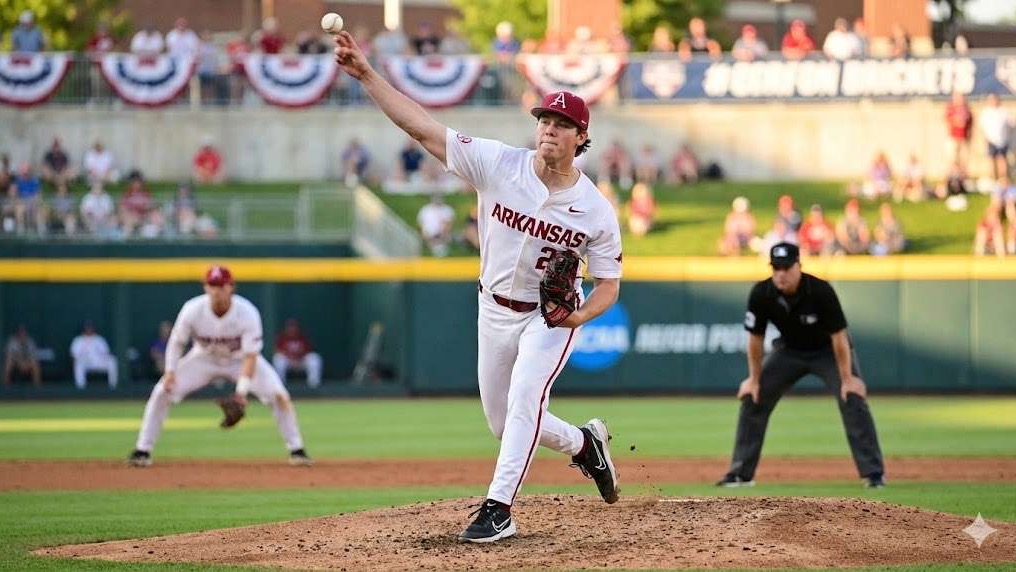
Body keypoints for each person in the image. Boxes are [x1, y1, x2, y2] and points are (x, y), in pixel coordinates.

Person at [333, 31, 622, 542]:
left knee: (526, 397)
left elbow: (609, 285)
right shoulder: (498, 163)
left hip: (546, 316)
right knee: (504, 420)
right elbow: (421, 128)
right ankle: (585, 445)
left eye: (563, 124)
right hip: (492, 309)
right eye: (545, 121)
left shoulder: (595, 210)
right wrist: (367, 75)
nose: (550, 129)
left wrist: (575, 317)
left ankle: (498, 509)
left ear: (581, 137)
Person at [717, 242, 886, 488]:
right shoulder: (762, 293)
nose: (781, 273)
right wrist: (753, 379)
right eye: (776, 268)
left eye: (786, 267)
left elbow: (839, 336)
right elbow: (755, 339)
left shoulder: (819, 290)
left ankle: (873, 474)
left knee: (852, 396)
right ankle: (741, 473)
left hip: (828, 351)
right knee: (753, 396)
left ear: (799, 265)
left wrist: (848, 377)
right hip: (789, 350)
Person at [127, 266, 313, 467]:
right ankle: (142, 450)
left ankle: (297, 449)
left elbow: (251, 356)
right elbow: (177, 342)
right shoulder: (193, 309)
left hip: (239, 359)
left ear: (231, 287)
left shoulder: (247, 312)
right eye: (212, 285)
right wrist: (170, 372)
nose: (217, 291)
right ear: (205, 287)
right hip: (203, 359)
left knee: (278, 395)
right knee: (162, 391)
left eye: (221, 286)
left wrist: (241, 392)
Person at [272, 319, 323, 388]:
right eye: (290, 327)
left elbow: (308, 351)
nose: (292, 329)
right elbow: (277, 350)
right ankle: (280, 386)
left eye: (293, 327)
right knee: (278, 358)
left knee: (314, 358)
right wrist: (291, 358)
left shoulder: (302, 337)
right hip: (288, 361)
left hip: (300, 361)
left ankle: (313, 385)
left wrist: (298, 358)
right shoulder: (282, 338)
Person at [70, 322, 118, 390]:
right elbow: (73, 354)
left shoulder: (99, 339)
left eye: (90, 328)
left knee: (112, 361)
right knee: (78, 363)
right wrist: (76, 359)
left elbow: (106, 353)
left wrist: (106, 357)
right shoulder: (78, 340)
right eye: (87, 328)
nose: (89, 330)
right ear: (84, 329)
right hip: (86, 362)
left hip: (99, 362)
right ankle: (80, 388)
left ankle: (113, 386)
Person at [979, 93, 1013, 180]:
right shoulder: (986, 112)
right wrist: (985, 139)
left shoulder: (1004, 111)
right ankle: (994, 178)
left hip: (1002, 140)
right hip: (991, 140)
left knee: (1002, 159)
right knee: (992, 160)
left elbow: (1010, 125)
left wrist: (1007, 137)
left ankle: (1004, 178)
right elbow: (983, 127)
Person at [944, 91, 973, 169]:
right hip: (953, 137)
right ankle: (954, 177)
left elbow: (970, 123)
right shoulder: (951, 108)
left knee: (963, 159)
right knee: (953, 159)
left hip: (964, 138)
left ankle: (962, 177)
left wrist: (969, 135)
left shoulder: (967, 109)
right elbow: (948, 121)